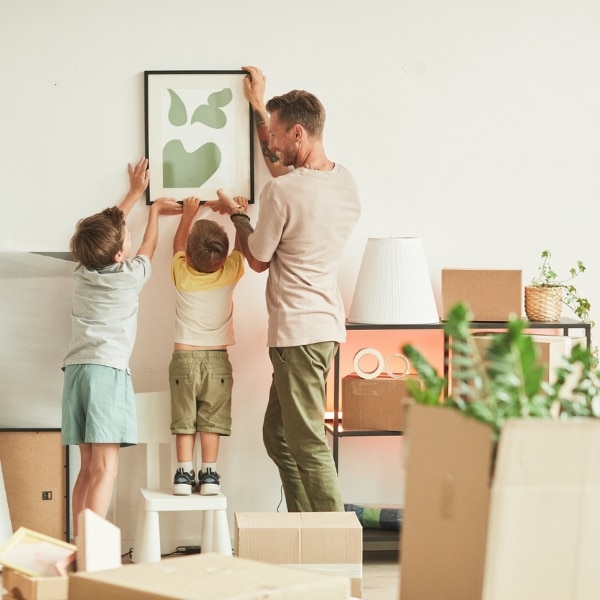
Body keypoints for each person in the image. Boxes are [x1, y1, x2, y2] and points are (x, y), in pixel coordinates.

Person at [210, 66, 361, 512]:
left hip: (298, 334)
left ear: (298, 133)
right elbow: (284, 177)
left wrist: (237, 215)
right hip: (323, 329)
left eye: (276, 134)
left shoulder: (283, 195)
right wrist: (259, 107)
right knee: (277, 435)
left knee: (308, 443)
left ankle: (336, 551)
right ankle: (303, 528)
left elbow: (256, 259)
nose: (270, 143)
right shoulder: (345, 182)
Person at [61, 158, 181, 535]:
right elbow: (148, 245)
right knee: (106, 469)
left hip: (76, 374)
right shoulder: (130, 276)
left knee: (87, 468)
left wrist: (133, 194)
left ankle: (79, 546)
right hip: (106, 374)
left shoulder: (81, 272)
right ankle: (92, 553)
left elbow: (110, 230)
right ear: (118, 256)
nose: (129, 236)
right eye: (123, 237)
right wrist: (156, 214)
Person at [169, 191, 247, 496]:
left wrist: (188, 215)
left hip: (183, 359)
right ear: (223, 258)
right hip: (217, 362)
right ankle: (210, 475)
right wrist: (237, 213)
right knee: (211, 420)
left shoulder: (181, 273)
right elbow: (241, 249)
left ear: (188, 257)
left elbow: (177, 245)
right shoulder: (229, 272)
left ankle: (184, 474)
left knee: (184, 419)